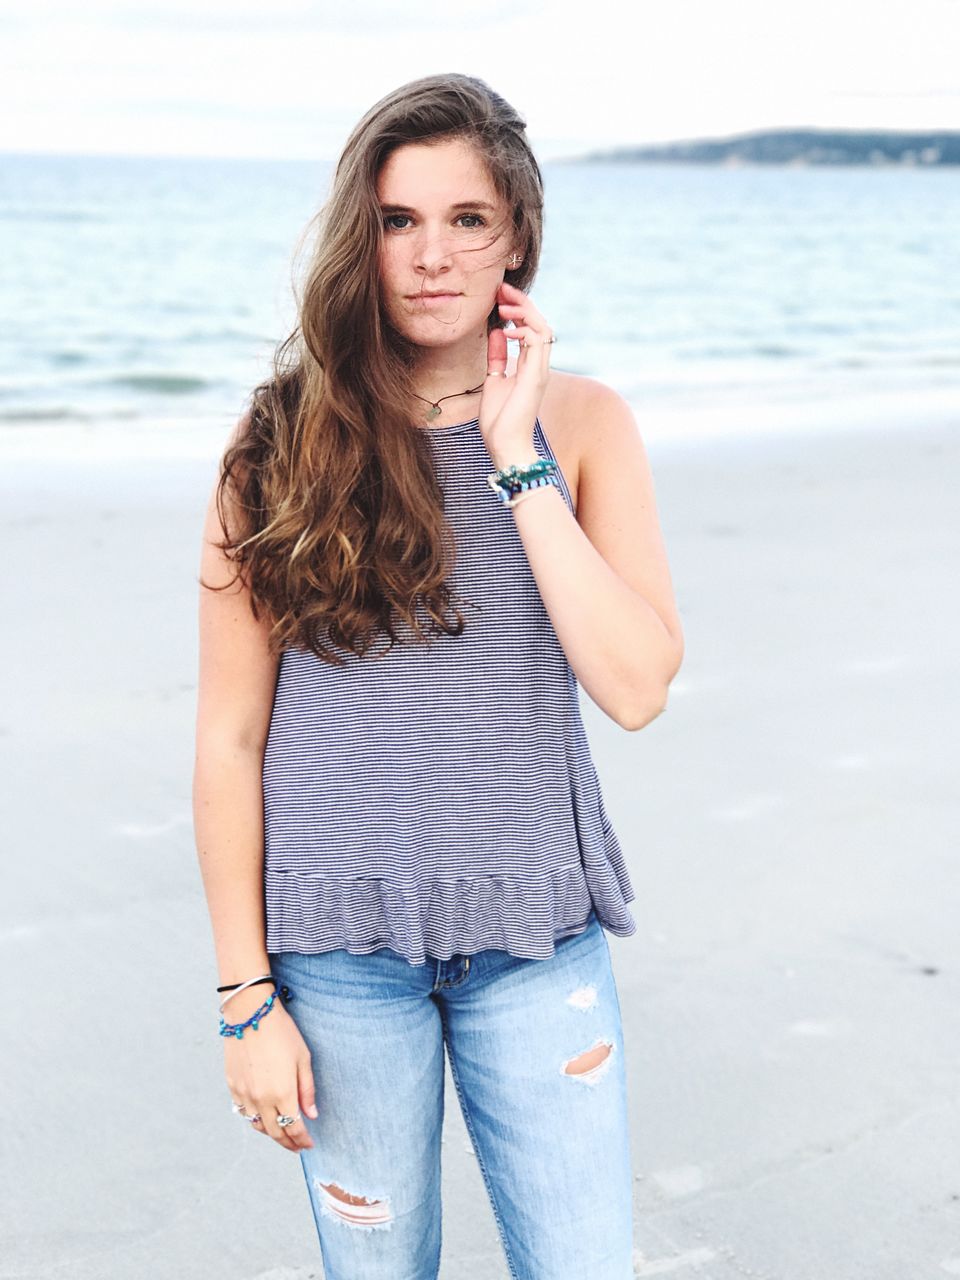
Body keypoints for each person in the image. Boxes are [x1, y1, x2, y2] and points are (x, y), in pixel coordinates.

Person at [193, 72, 683, 1280]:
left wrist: (515, 458)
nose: (431, 255)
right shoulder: (274, 443)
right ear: (361, 238)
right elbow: (230, 740)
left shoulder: (583, 425)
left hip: (536, 937)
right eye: (398, 219)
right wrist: (244, 996)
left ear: (516, 234)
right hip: (337, 954)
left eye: (467, 219)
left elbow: (635, 684)